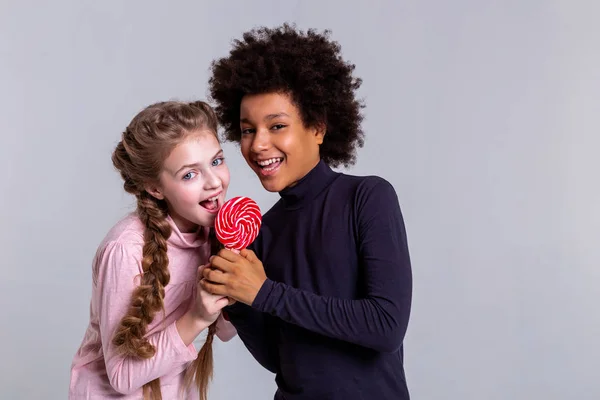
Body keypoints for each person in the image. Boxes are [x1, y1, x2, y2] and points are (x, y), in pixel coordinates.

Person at [203, 24, 413, 399]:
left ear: (317, 127)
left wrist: (264, 292)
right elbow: (280, 359)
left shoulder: (368, 197)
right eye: (247, 130)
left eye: (277, 126)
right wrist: (239, 302)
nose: (258, 144)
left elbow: (385, 325)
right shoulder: (262, 230)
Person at [69, 101, 237, 400]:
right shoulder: (125, 250)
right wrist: (196, 318)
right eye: (189, 174)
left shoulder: (214, 234)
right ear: (155, 188)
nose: (214, 182)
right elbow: (122, 377)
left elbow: (224, 331)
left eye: (216, 161)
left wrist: (241, 284)